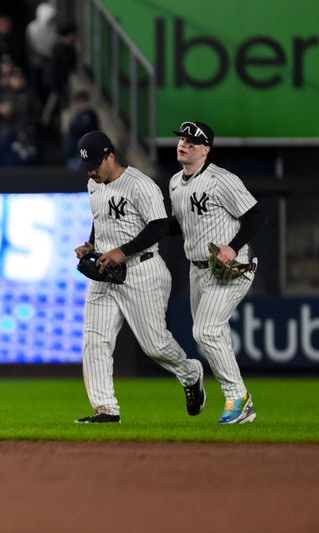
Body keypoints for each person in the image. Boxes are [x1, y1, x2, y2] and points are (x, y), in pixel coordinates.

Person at [73, 131, 205, 423]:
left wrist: (122, 250)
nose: (92, 170)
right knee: (96, 339)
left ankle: (190, 372)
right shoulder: (93, 185)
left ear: (111, 156)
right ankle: (106, 409)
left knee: (155, 346)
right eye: (88, 165)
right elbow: (101, 221)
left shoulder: (140, 185)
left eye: (96, 163)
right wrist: (92, 244)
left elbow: (159, 226)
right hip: (106, 274)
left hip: (142, 271)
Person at [168, 121, 264, 424]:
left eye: (192, 143)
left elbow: (255, 215)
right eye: (182, 139)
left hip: (230, 269)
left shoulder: (222, 180)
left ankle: (239, 398)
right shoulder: (174, 182)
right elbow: (176, 226)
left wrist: (233, 247)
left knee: (205, 331)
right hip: (198, 270)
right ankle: (238, 398)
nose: (184, 144)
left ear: (206, 150)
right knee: (216, 333)